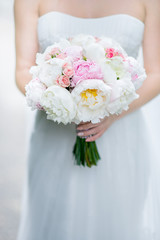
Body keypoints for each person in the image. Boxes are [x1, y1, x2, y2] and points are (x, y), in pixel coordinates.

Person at [14, 0, 160, 239]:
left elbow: (156, 72)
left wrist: (111, 112)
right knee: (57, 220)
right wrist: (64, 103)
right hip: (55, 136)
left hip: (122, 135)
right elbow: (22, 69)